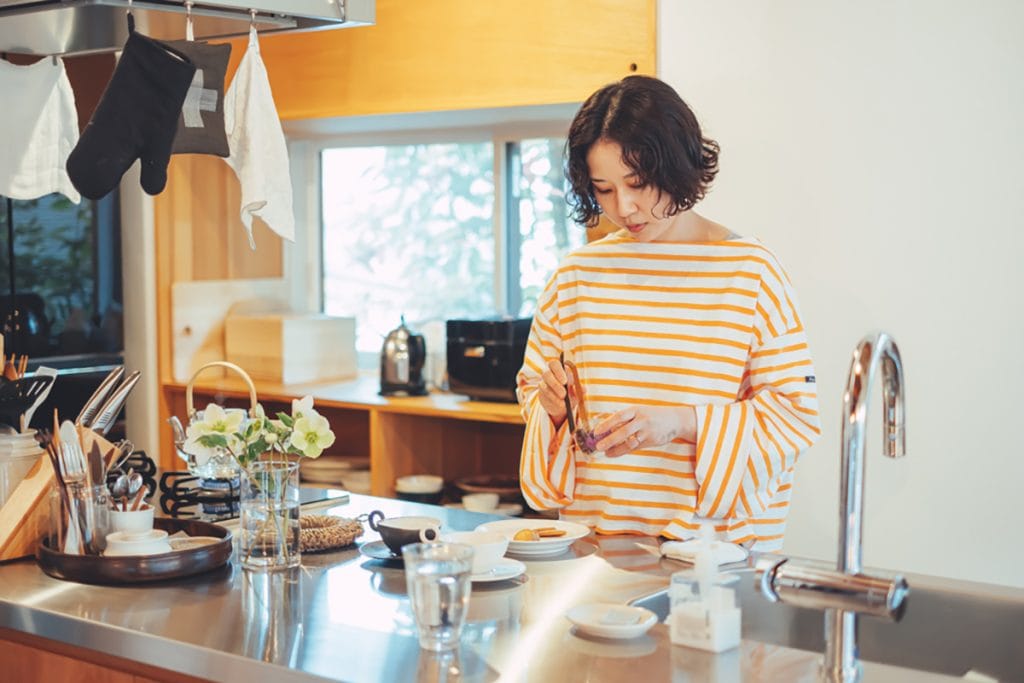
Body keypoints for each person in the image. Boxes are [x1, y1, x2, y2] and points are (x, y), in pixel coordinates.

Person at [515, 75, 821, 550]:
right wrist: (552, 408)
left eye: (638, 183)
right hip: (595, 545)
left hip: (708, 556)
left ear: (679, 164)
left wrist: (680, 422)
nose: (626, 207)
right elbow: (536, 391)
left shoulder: (749, 272)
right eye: (604, 189)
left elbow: (793, 416)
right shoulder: (576, 275)